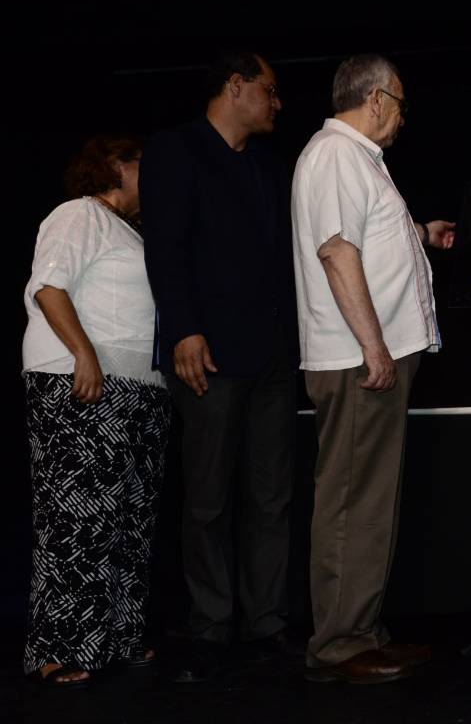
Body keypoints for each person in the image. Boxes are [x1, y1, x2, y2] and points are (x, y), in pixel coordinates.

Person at [139, 51, 302, 682]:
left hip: (272, 354)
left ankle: (266, 621)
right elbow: (167, 246)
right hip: (208, 351)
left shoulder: (267, 166)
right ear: (235, 87)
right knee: (206, 498)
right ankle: (210, 624)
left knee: (272, 495)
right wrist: (182, 327)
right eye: (270, 90)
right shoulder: (177, 150)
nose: (277, 102)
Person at [292, 54, 454, 683]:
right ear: (379, 99)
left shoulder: (356, 160)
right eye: (402, 105)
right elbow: (336, 251)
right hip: (358, 360)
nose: (402, 119)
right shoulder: (335, 155)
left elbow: (363, 235)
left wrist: (417, 233)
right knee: (351, 499)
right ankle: (339, 643)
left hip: (368, 355)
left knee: (369, 500)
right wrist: (374, 347)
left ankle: (362, 629)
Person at [21, 136, 172, 688]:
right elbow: (49, 287)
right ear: (115, 167)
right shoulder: (78, 215)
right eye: (143, 167)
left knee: (130, 520)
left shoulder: (131, 231)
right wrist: (84, 354)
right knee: (76, 519)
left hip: (141, 388)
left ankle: (118, 636)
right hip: (83, 383)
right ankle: (59, 646)